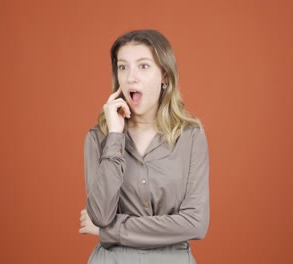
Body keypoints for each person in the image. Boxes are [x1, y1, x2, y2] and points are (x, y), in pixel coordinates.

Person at [79, 29, 210, 263]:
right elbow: (99, 215)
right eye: (122, 67)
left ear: (165, 76)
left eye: (143, 66)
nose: (131, 77)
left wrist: (112, 231)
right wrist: (115, 137)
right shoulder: (98, 138)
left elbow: (195, 223)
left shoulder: (190, 137)